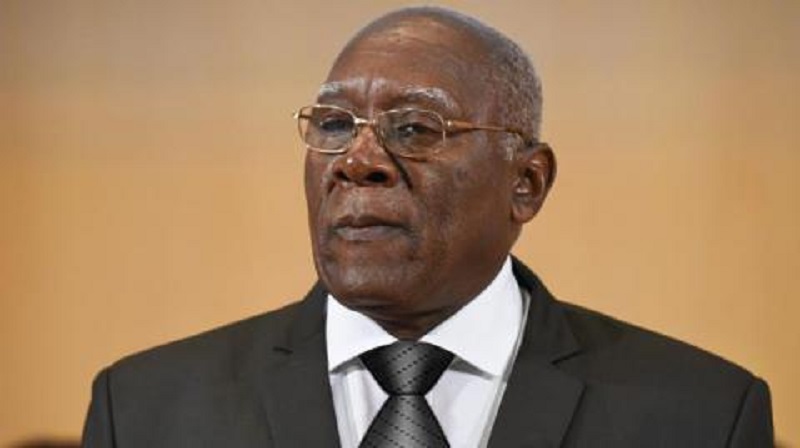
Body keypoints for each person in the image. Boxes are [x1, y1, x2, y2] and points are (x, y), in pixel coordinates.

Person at [82, 6, 774, 447]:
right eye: (333, 125)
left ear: (526, 184)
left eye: (414, 128)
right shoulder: (145, 411)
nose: (356, 161)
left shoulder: (703, 415)